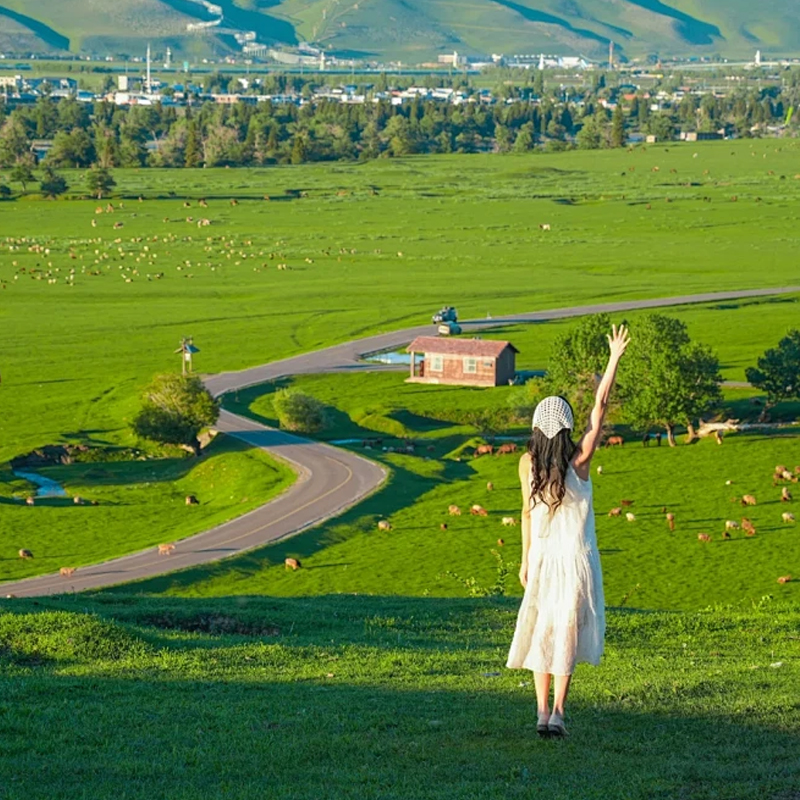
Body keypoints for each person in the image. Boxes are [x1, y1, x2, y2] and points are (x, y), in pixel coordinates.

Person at [506, 324, 630, 738]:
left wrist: (524, 561)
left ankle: (540, 712)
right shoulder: (580, 461)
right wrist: (613, 359)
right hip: (576, 560)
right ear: (566, 428)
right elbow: (601, 406)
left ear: (538, 430)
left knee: (543, 629)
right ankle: (558, 712)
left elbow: (525, 514)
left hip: (542, 560)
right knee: (567, 633)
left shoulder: (527, 466)